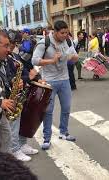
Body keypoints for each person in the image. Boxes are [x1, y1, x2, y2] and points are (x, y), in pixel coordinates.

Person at [32, 20, 78, 150]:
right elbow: (34, 60)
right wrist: (52, 60)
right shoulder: (44, 43)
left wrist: (72, 58)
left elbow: (74, 57)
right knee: (48, 111)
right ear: (55, 32)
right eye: (62, 33)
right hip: (49, 81)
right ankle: (47, 139)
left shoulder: (68, 41)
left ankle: (63, 132)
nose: (65, 35)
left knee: (66, 107)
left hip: (64, 80)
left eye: (66, 33)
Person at [5, 35, 39, 161]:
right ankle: (14, 150)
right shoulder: (4, 59)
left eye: (13, 44)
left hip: (20, 93)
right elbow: (9, 77)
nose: (11, 47)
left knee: (22, 121)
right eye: (8, 45)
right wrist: (27, 78)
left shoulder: (15, 57)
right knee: (13, 124)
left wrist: (35, 77)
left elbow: (25, 71)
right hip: (9, 95)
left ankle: (22, 144)